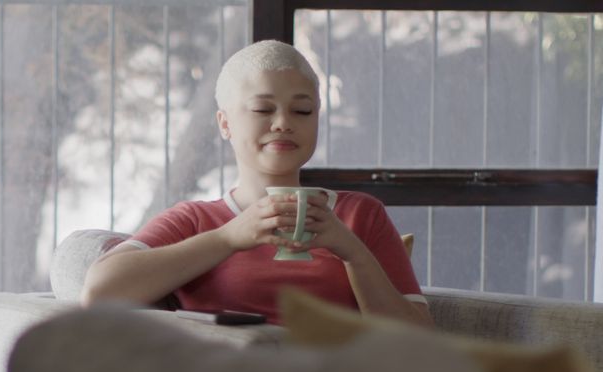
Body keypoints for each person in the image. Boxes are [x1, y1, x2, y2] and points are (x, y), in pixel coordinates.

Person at [80, 40, 432, 327]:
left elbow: (420, 344)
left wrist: (351, 251)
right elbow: (99, 292)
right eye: (263, 110)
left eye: (302, 111)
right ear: (225, 123)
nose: (283, 123)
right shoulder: (193, 220)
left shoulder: (360, 214)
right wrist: (229, 237)